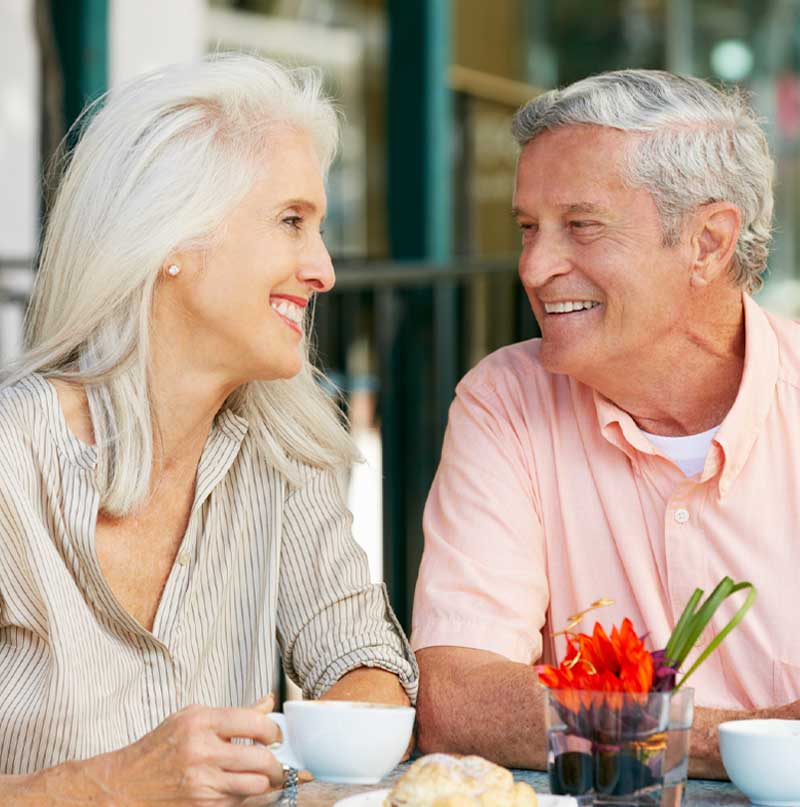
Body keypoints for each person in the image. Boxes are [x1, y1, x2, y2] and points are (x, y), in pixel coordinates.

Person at [0, 54, 417, 805]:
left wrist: (299, 752)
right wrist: (109, 785)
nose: (323, 269)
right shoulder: (11, 457)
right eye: (292, 221)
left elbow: (364, 662)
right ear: (171, 241)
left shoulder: (282, 451)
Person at [411, 69, 800, 778]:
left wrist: (584, 724)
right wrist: (737, 738)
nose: (534, 266)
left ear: (708, 243)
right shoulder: (505, 400)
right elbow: (458, 699)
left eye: (580, 226)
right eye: (528, 228)